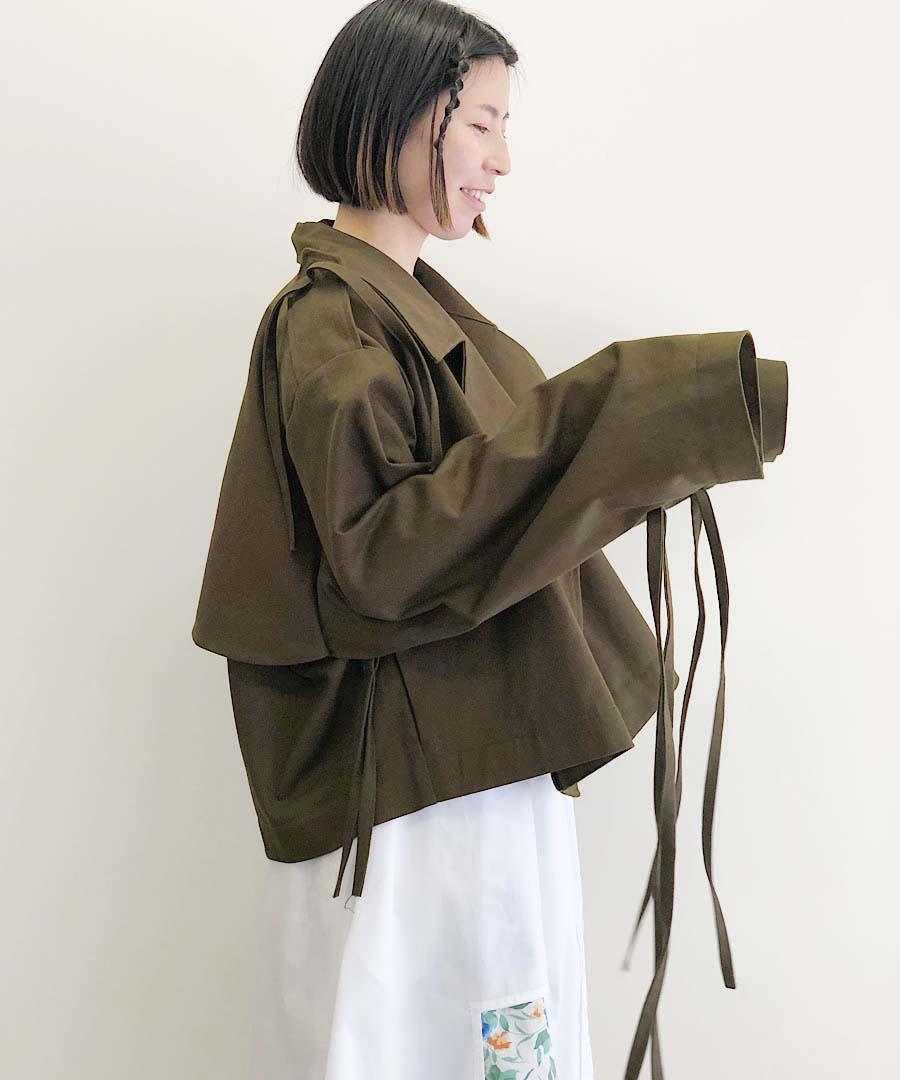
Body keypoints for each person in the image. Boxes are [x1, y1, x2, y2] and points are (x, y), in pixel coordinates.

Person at [191, 2, 789, 1078]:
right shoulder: (333, 323)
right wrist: (616, 414)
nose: (502, 161)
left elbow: (479, 517)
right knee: (442, 1048)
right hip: (414, 810)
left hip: (469, 779)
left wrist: (633, 439)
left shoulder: (407, 307)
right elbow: (384, 555)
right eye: (480, 124)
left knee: (502, 1043)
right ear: (394, 116)